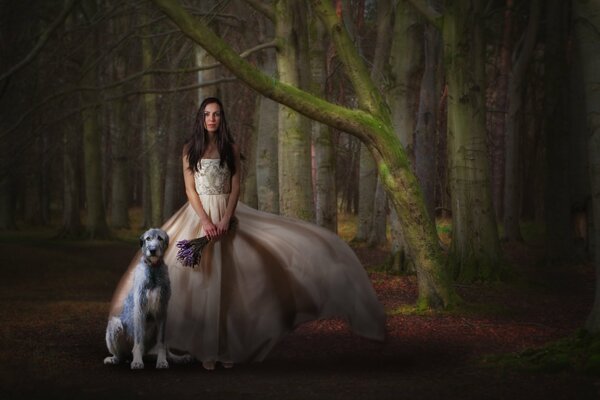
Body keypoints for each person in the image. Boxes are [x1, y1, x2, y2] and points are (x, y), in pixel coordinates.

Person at [108, 97, 385, 370]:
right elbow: (190, 189)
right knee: (201, 285)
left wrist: (227, 218)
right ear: (201, 119)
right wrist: (205, 220)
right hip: (198, 217)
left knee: (228, 286)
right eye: (207, 114)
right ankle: (204, 349)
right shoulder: (190, 149)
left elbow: (236, 184)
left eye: (216, 114)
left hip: (228, 215)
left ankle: (227, 348)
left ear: (222, 118)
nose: (212, 119)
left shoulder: (230, 147)